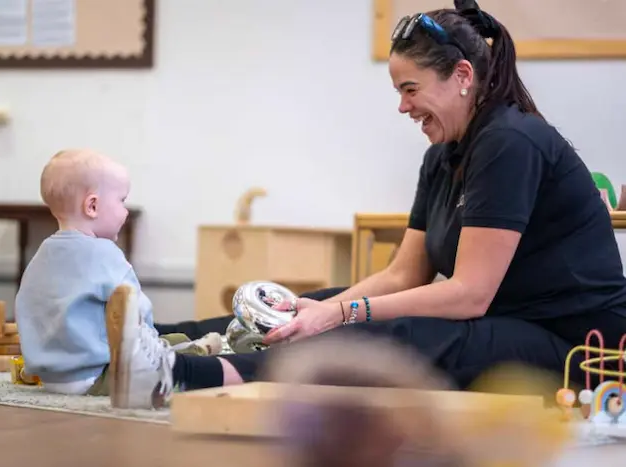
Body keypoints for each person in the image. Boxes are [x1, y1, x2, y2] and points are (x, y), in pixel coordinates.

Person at [107, 0, 626, 410]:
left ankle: (178, 376)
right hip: (508, 325)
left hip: (577, 349)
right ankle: (147, 343)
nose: (402, 105)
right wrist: (327, 309)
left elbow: (468, 295)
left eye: (410, 88)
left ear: (463, 76)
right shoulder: (444, 155)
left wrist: (341, 315)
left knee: (393, 335)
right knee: (319, 304)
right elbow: (404, 274)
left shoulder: (512, 142)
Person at [14, 149, 222, 396]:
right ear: (92, 206)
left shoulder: (43, 253)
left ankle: (187, 348)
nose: (125, 211)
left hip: (51, 377)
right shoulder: (104, 253)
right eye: (121, 200)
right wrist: (152, 344)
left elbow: (28, 310)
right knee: (171, 357)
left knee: (175, 339)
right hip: (97, 375)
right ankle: (195, 352)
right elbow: (135, 312)